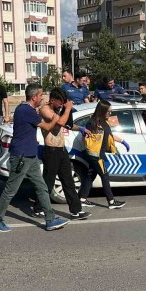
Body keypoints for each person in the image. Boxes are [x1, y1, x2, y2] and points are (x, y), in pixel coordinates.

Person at [0, 83, 70, 233]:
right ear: (34, 97)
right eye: (40, 95)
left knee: (42, 187)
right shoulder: (26, 110)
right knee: (11, 189)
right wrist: (57, 115)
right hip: (21, 156)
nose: (43, 98)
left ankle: (50, 219)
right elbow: (48, 127)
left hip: (30, 156)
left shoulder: (25, 109)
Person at [31, 87, 91, 220]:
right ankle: (38, 208)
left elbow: (67, 124)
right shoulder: (44, 109)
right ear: (52, 100)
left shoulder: (58, 110)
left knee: (68, 181)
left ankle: (76, 211)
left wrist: (80, 128)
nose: (62, 105)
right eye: (60, 102)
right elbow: (60, 122)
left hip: (61, 150)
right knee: (48, 181)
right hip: (51, 150)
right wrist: (68, 108)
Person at [78, 100, 127, 210]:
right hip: (95, 155)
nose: (110, 113)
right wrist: (85, 135)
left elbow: (109, 136)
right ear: (103, 110)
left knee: (91, 175)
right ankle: (111, 201)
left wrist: (122, 141)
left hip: (100, 153)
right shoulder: (92, 122)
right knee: (105, 176)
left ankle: (82, 199)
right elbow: (85, 138)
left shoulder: (105, 122)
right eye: (109, 111)